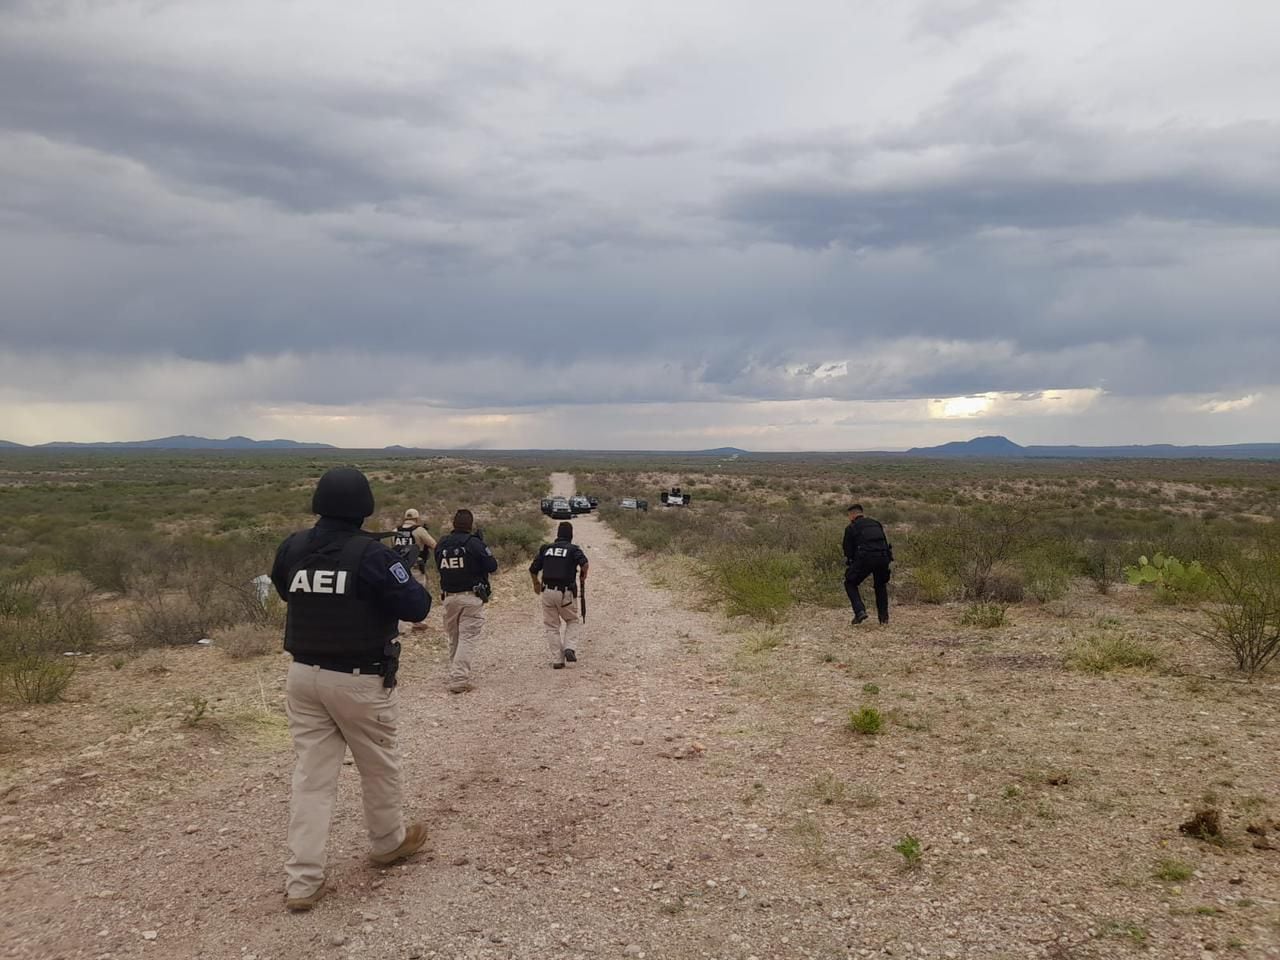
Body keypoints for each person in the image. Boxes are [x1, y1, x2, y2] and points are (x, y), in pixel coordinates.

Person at [270, 467, 431, 913]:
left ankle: (302, 881)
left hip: (303, 676)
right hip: (359, 678)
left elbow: (287, 591)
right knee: (378, 765)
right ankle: (387, 842)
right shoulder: (372, 555)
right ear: (365, 508)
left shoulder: (293, 547)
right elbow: (417, 607)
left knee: (311, 778)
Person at [434, 508, 498, 693]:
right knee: (467, 637)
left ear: (454, 524)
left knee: (454, 637)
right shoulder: (473, 543)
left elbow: (440, 566)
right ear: (470, 525)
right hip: (471, 596)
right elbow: (492, 566)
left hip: (448, 596)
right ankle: (459, 679)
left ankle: (455, 673)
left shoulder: (442, 543)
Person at [529, 520, 589, 668]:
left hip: (547, 591)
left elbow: (533, 569)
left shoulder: (546, 548)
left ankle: (557, 659)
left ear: (557, 534)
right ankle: (569, 647)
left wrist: (536, 583)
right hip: (565, 593)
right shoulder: (573, 549)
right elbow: (585, 563)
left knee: (551, 626)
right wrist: (583, 575)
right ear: (571, 535)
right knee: (572, 620)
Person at [842, 503, 893, 625]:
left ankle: (859, 611)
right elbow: (885, 542)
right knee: (880, 586)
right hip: (883, 557)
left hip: (865, 558)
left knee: (849, 582)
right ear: (862, 513)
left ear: (852, 515)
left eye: (849, 515)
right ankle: (884, 618)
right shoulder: (875, 523)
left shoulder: (851, 528)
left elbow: (848, 550)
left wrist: (851, 563)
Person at [390, 508, 437, 580]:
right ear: (417, 519)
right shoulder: (419, 530)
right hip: (416, 568)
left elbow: (393, 550)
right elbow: (434, 545)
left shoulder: (395, 531)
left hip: (400, 569)